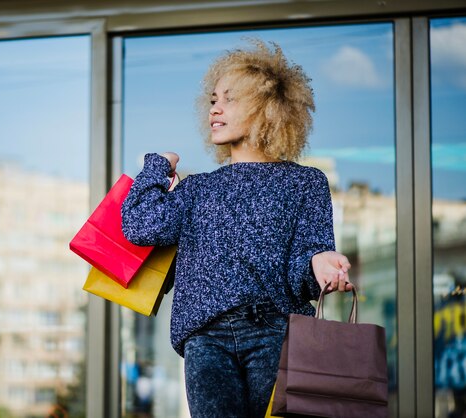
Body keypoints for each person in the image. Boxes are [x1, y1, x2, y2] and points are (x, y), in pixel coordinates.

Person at [121, 39, 352, 418]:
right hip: (205, 342)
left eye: (230, 99)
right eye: (213, 99)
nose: (215, 107)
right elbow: (141, 225)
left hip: (275, 335)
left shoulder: (305, 183)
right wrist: (156, 167)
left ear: (267, 109)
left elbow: (304, 271)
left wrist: (320, 264)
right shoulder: (198, 188)